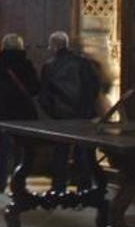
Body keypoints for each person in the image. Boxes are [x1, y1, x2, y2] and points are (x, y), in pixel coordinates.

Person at [37, 31, 101, 192]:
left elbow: (44, 94)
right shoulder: (83, 63)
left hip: (61, 115)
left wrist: (53, 111)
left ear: (54, 46)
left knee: (61, 151)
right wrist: (87, 109)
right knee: (82, 152)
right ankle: (84, 187)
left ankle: (58, 187)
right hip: (83, 115)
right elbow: (93, 87)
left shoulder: (50, 66)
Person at [0, 34, 40, 193]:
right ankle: (19, 183)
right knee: (21, 149)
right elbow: (35, 88)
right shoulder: (26, 64)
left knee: (2, 150)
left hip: (3, 113)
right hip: (22, 112)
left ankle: (1, 183)